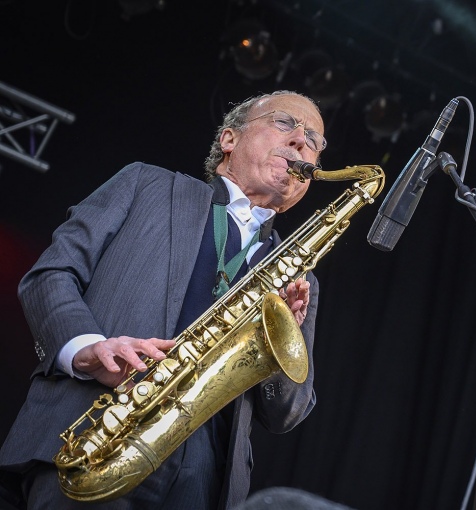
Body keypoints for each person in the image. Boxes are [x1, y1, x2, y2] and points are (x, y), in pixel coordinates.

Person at [0, 91, 324, 509]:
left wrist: (284, 344)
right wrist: (85, 349)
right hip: (95, 430)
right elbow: (51, 275)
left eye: (314, 140)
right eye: (285, 123)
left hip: (204, 478)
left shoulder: (299, 274)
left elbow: (285, 413)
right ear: (229, 139)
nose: (302, 140)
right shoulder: (144, 183)